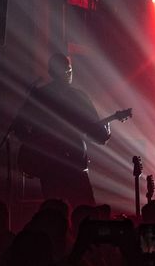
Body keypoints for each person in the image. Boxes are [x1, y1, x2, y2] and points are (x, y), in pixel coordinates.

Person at [13, 54, 111, 206]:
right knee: (85, 213)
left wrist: (37, 145)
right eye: (70, 69)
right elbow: (99, 136)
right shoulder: (79, 97)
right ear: (67, 71)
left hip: (48, 166)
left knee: (54, 214)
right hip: (74, 164)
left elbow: (18, 127)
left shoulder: (40, 95)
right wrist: (106, 131)